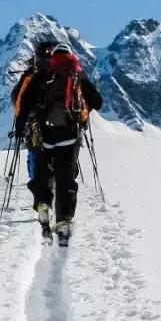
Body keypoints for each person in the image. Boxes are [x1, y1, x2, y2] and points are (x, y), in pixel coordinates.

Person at [13, 44, 103, 244]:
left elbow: (25, 103)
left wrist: (20, 128)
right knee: (66, 179)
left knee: (43, 172)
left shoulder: (43, 75)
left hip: (47, 137)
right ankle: (64, 221)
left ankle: (43, 203)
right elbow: (98, 101)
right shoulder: (77, 75)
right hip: (70, 137)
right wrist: (83, 114)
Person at [10, 40, 58, 191]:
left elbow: (17, 98)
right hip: (56, 122)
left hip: (33, 122)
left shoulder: (29, 75)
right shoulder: (60, 73)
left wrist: (20, 121)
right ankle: (55, 180)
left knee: (35, 152)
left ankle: (38, 182)